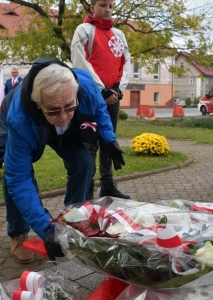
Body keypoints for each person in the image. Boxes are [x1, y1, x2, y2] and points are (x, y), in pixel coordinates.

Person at [0, 57, 126, 264]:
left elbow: (100, 109)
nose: (64, 116)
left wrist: (110, 140)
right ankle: (18, 232)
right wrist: (45, 228)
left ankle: (71, 220)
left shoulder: (85, 87)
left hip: (64, 132)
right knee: (13, 172)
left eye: (70, 106)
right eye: (54, 110)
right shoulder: (19, 117)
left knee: (84, 162)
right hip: (27, 122)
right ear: (38, 103)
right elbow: (18, 179)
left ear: (75, 93)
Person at [71, 0, 131, 200]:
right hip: (90, 97)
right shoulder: (84, 30)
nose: (108, 10)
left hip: (112, 97)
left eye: (111, 6)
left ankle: (107, 184)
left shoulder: (119, 35)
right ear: (92, 8)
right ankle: (87, 188)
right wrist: (101, 90)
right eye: (103, 5)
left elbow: (125, 63)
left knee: (109, 141)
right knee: (90, 144)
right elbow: (80, 62)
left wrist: (117, 89)